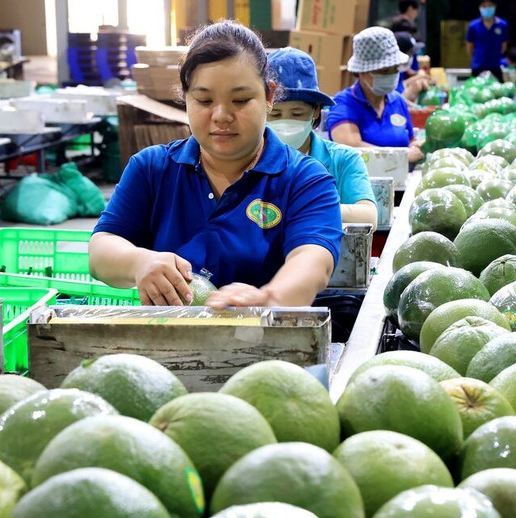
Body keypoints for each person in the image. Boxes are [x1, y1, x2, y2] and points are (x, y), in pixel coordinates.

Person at [89, 21, 343, 308]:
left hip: (267, 342)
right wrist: (139, 262)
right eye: (204, 100)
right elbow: (101, 251)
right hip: (166, 340)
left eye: (240, 99)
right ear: (184, 98)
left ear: (269, 96)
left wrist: (271, 298)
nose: (221, 115)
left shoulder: (305, 179)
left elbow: (314, 259)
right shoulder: (152, 168)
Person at [266, 47, 378, 228]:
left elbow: (368, 215)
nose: (286, 122)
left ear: (316, 111)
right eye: (275, 115)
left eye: (297, 114)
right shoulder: (249, 161)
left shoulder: (343, 160)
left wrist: (308, 208)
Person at [327, 27, 424, 164]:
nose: (391, 75)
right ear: (361, 71)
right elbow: (351, 148)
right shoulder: (344, 104)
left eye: (395, 69)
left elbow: (410, 139)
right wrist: (400, 158)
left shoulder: (397, 101)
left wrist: (416, 146)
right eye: (384, 71)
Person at [466, 0, 509, 82]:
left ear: (494, 7)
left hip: (495, 66)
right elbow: (469, 47)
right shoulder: (473, 26)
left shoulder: (502, 25)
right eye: (484, 6)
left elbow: (503, 47)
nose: (487, 8)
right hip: (478, 67)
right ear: (479, 8)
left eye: (489, 5)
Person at [394, 31, 432, 103]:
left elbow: (402, 85)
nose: (412, 57)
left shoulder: (400, 71)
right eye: (410, 53)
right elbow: (393, 101)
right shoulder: (392, 73)